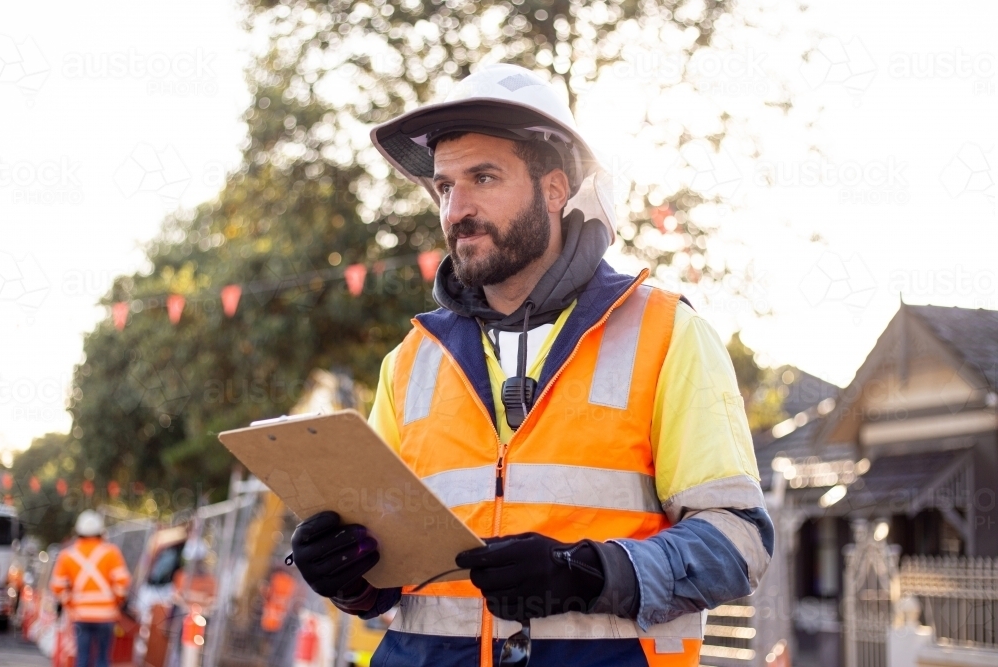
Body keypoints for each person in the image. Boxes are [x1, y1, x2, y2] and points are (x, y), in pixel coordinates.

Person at [291, 63, 772, 667]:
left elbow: (740, 545)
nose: (456, 209)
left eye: (483, 178)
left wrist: (588, 572)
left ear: (554, 189)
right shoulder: (410, 362)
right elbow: (392, 577)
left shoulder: (670, 335)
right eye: (444, 187)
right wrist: (347, 574)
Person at [50, 510, 131, 667]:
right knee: (102, 658)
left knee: (83, 658)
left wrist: (70, 603)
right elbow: (122, 583)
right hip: (106, 616)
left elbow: (57, 586)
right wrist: (115, 602)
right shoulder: (111, 553)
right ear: (100, 532)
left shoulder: (68, 556)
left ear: (78, 532)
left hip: (81, 616)